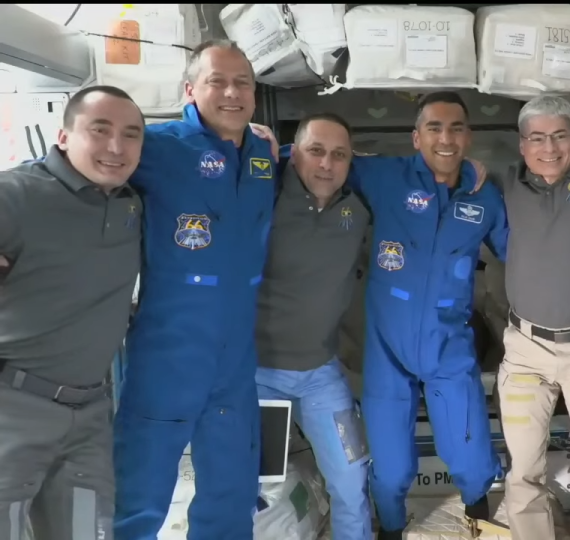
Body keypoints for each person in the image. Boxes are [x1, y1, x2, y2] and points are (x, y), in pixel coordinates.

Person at [112, 40, 277, 539]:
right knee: (141, 483)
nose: (232, 92)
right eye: (217, 81)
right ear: (190, 89)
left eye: (242, 83)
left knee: (231, 483)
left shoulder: (262, 156)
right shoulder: (157, 146)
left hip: (235, 354)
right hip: (170, 346)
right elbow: (80, 162)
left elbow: (317, 164)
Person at [353, 92, 509, 539]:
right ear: (416, 137)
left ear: (468, 136)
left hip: (448, 343)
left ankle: (479, 520)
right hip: (389, 346)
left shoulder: (485, 198)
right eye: (435, 128)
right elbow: (320, 157)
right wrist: (267, 145)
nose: (446, 138)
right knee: (391, 465)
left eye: (456, 128)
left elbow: (521, 251)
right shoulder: (386, 177)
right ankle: (392, 530)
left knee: (471, 451)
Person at [0, 85, 144, 539]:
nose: (116, 147)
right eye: (99, 130)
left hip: (90, 414)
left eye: (131, 134)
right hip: (14, 408)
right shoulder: (16, 196)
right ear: (63, 136)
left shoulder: (132, 203)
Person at [487, 96, 570, 540]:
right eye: (538, 138)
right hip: (526, 349)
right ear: (522, 145)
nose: (550, 147)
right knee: (523, 470)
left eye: (560, 135)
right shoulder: (505, 183)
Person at [254, 112, 372, 540]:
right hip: (257, 376)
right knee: (252, 489)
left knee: (351, 479)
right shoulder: (262, 192)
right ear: (293, 154)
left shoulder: (357, 206)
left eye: (339, 155)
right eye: (315, 151)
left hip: (320, 376)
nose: (326, 164)